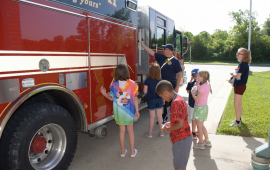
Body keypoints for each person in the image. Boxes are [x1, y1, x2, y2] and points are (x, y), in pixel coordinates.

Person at [100, 64, 140, 157]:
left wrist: (104, 93)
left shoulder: (114, 85)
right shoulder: (133, 84)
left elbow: (111, 98)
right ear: (127, 72)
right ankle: (132, 152)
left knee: (122, 131)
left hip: (119, 114)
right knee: (130, 131)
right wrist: (137, 111)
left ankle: (122, 152)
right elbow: (135, 99)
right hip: (129, 113)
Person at [141, 40, 182, 124]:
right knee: (163, 103)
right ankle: (164, 118)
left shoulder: (176, 61)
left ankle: (173, 119)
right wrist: (142, 44)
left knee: (172, 103)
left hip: (171, 84)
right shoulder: (161, 57)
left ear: (169, 51)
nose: (163, 50)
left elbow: (179, 75)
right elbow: (150, 52)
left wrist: (177, 87)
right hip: (162, 84)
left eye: (165, 49)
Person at [156, 80, 192, 170]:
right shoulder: (178, 98)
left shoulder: (175, 103)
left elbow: (181, 124)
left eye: (162, 97)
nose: (163, 99)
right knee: (180, 165)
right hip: (183, 138)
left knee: (179, 167)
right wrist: (171, 123)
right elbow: (180, 119)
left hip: (181, 139)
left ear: (165, 92)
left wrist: (168, 129)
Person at [230, 48, 252, 127]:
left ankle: (237, 122)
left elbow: (238, 75)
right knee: (239, 104)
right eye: (237, 52)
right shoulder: (243, 64)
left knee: (236, 104)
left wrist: (232, 74)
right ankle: (238, 118)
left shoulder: (243, 64)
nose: (237, 54)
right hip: (240, 86)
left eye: (239, 53)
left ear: (244, 56)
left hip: (240, 86)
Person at [191, 70, 212, 150]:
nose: (197, 77)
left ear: (202, 77)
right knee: (201, 126)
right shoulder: (207, 85)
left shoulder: (202, 87)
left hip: (199, 108)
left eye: (199, 76)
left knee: (199, 128)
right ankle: (207, 141)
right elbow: (202, 93)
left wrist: (192, 93)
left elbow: (197, 99)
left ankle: (200, 143)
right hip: (204, 108)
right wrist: (198, 87)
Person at [143, 63, 164, 138]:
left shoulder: (147, 80)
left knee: (152, 117)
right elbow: (162, 92)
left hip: (151, 99)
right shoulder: (161, 80)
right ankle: (162, 132)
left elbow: (145, 91)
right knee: (159, 116)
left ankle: (150, 133)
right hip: (159, 99)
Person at [186, 68, 199, 139]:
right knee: (198, 119)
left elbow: (188, 91)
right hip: (199, 104)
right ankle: (198, 131)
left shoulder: (190, 83)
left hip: (192, 104)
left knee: (193, 119)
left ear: (192, 75)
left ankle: (193, 133)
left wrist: (191, 80)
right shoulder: (201, 84)